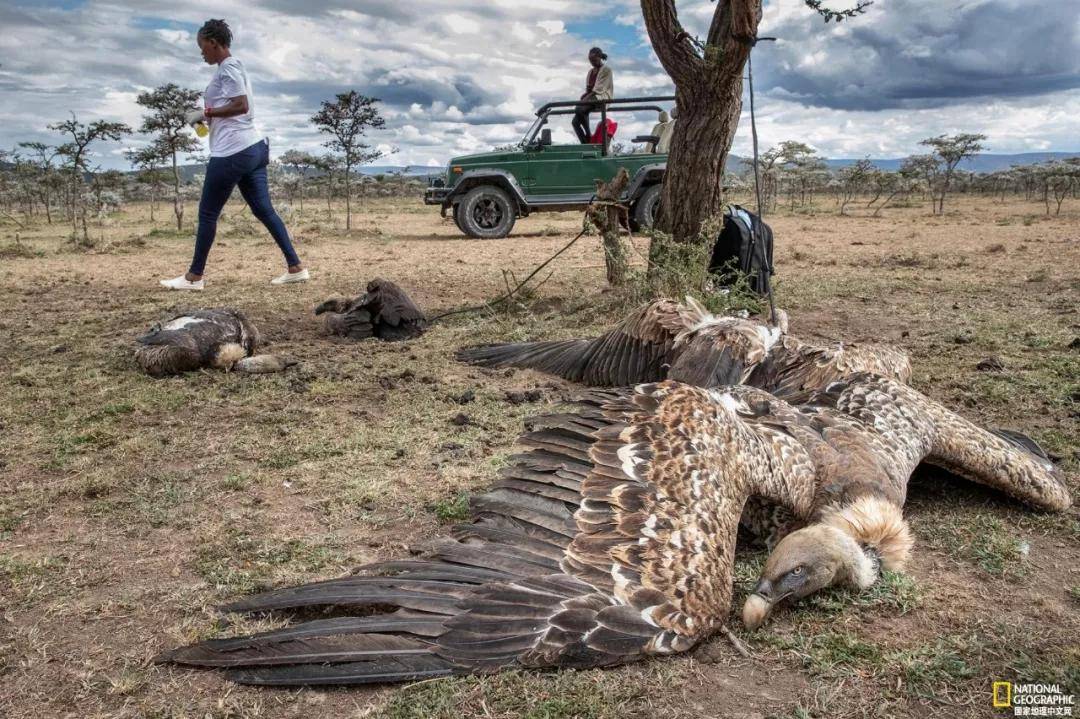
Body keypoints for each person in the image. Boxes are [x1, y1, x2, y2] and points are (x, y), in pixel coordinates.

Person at [161, 18, 308, 291]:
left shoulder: (227, 69)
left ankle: (194, 277)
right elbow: (235, 106)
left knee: (207, 214)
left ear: (213, 43)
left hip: (232, 150)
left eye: (202, 46)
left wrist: (204, 113)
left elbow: (240, 105)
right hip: (253, 148)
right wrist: (205, 119)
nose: (201, 52)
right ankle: (296, 267)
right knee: (264, 210)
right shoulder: (234, 66)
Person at [571, 47, 613, 144]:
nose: (592, 62)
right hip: (592, 97)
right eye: (590, 60)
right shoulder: (590, 72)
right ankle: (586, 143)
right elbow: (589, 88)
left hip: (602, 96)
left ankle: (589, 134)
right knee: (575, 122)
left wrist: (585, 99)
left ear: (599, 57)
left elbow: (599, 89)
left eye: (594, 60)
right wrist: (585, 95)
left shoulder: (606, 70)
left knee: (579, 109)